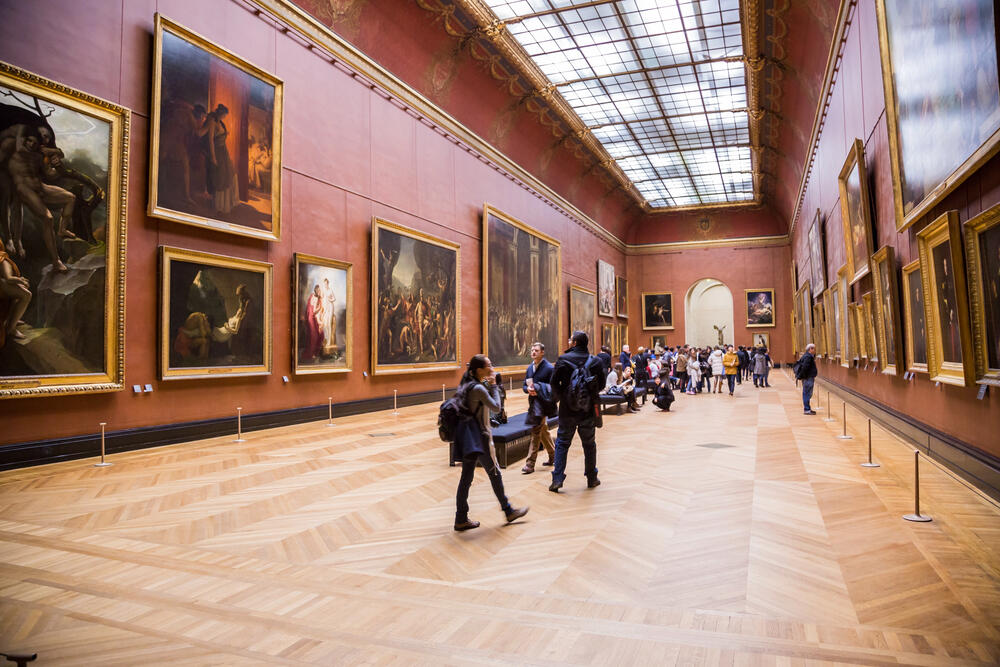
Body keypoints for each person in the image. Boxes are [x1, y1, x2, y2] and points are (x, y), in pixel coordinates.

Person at [453, 354, 529, 531]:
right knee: (494, 474)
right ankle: (508, 511)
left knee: (466, 478)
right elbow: (496, 407)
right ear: (480, 369)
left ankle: (461, 518)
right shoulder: (478, 388)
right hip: (480, 438)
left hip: (468, 438)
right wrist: (494, 385)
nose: (492, 366)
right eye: (489, 364)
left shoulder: (467, 383)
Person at [550, 331, 606, 493]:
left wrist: (564, 395)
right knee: (589, 444)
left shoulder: (563, 359)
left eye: (570, 340)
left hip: (567, 410)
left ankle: (557, 479)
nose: (568, 341)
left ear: (574, 343)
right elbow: (601, 385)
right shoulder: (595, 361)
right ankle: (592, 478)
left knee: (562, 443)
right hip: (588, 410)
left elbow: (554, 383)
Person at [521, 342, 556, 474]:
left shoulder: (548, 368)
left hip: (543, 404)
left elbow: (552, 387)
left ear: (542, 352)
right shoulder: (530, 368)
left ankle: (530, 464)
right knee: (543, 430)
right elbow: (524, 385)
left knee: (535, 431)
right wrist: (528, 390)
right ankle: (554, 456)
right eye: (532, 350)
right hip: (533, 403)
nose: (533, 352)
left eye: (536, 350)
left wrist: (538, 388)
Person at [204, 104, 238, 214]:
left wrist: (225, 133)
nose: (224, 117)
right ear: (220, 113)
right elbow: (210, 142)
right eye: (224, 115)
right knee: (220, 177)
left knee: (228, 174)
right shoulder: (212, 123)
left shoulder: (220, 123)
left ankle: (227, 203)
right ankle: (219, 205)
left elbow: (220, 135)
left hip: (224, 151)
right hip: (217, 152)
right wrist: (213, 157)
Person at [796, 343, 819, 414]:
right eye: (814, 349)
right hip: (808, 377)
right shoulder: (808, 357)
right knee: (807, 393)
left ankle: (807, 408)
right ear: (810, 349)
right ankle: (807, 409)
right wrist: (805, 376)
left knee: (808, 393)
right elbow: (805, 368)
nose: (815, 350)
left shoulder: (806, 355)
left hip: (807, 377)